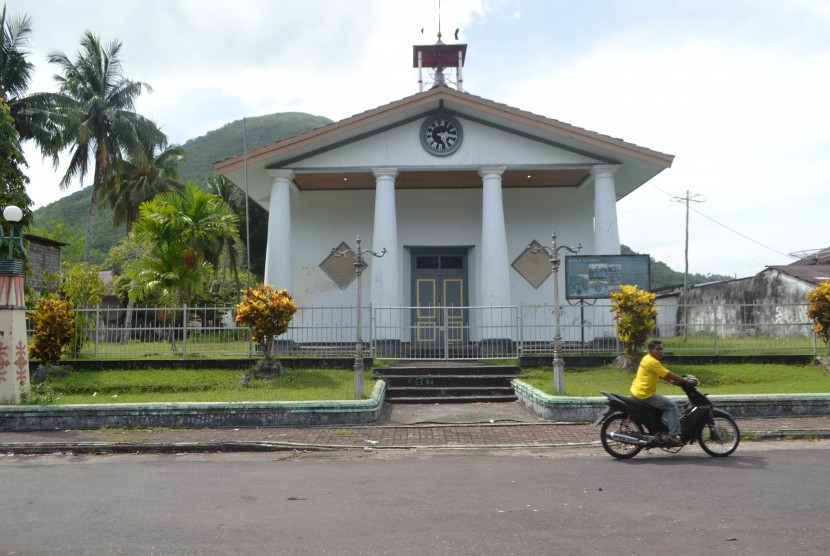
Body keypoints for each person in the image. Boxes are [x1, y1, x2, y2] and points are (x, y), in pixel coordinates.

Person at [630, 340, 694, 447]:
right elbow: (667, 373)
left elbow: (660, 373)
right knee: (671, 406)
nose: (661, 351)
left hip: (637, 391)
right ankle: (673, 436)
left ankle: (662, 430)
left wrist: (670, 380)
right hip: (645, 394)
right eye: (658, 349)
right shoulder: (653, 362)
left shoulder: (647, 358)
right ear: (650, 350)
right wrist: (686, 381)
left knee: (662, 407)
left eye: (661, 349)